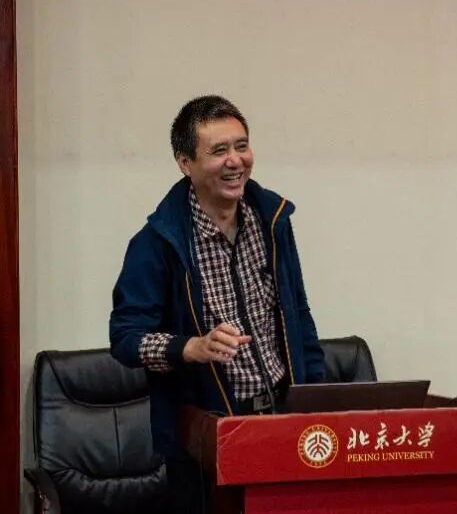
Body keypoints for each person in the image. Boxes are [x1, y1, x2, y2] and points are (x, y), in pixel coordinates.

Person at [109, 95, 325, 513]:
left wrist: (312, 399)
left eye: (241, 146)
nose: (235, 161)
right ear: (185, 162)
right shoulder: (157, 243)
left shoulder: (273, 222)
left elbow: (298, 315)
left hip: (283, 420)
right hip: (206, 437)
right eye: (219, 150)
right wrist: (190, 347)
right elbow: (125, 338)